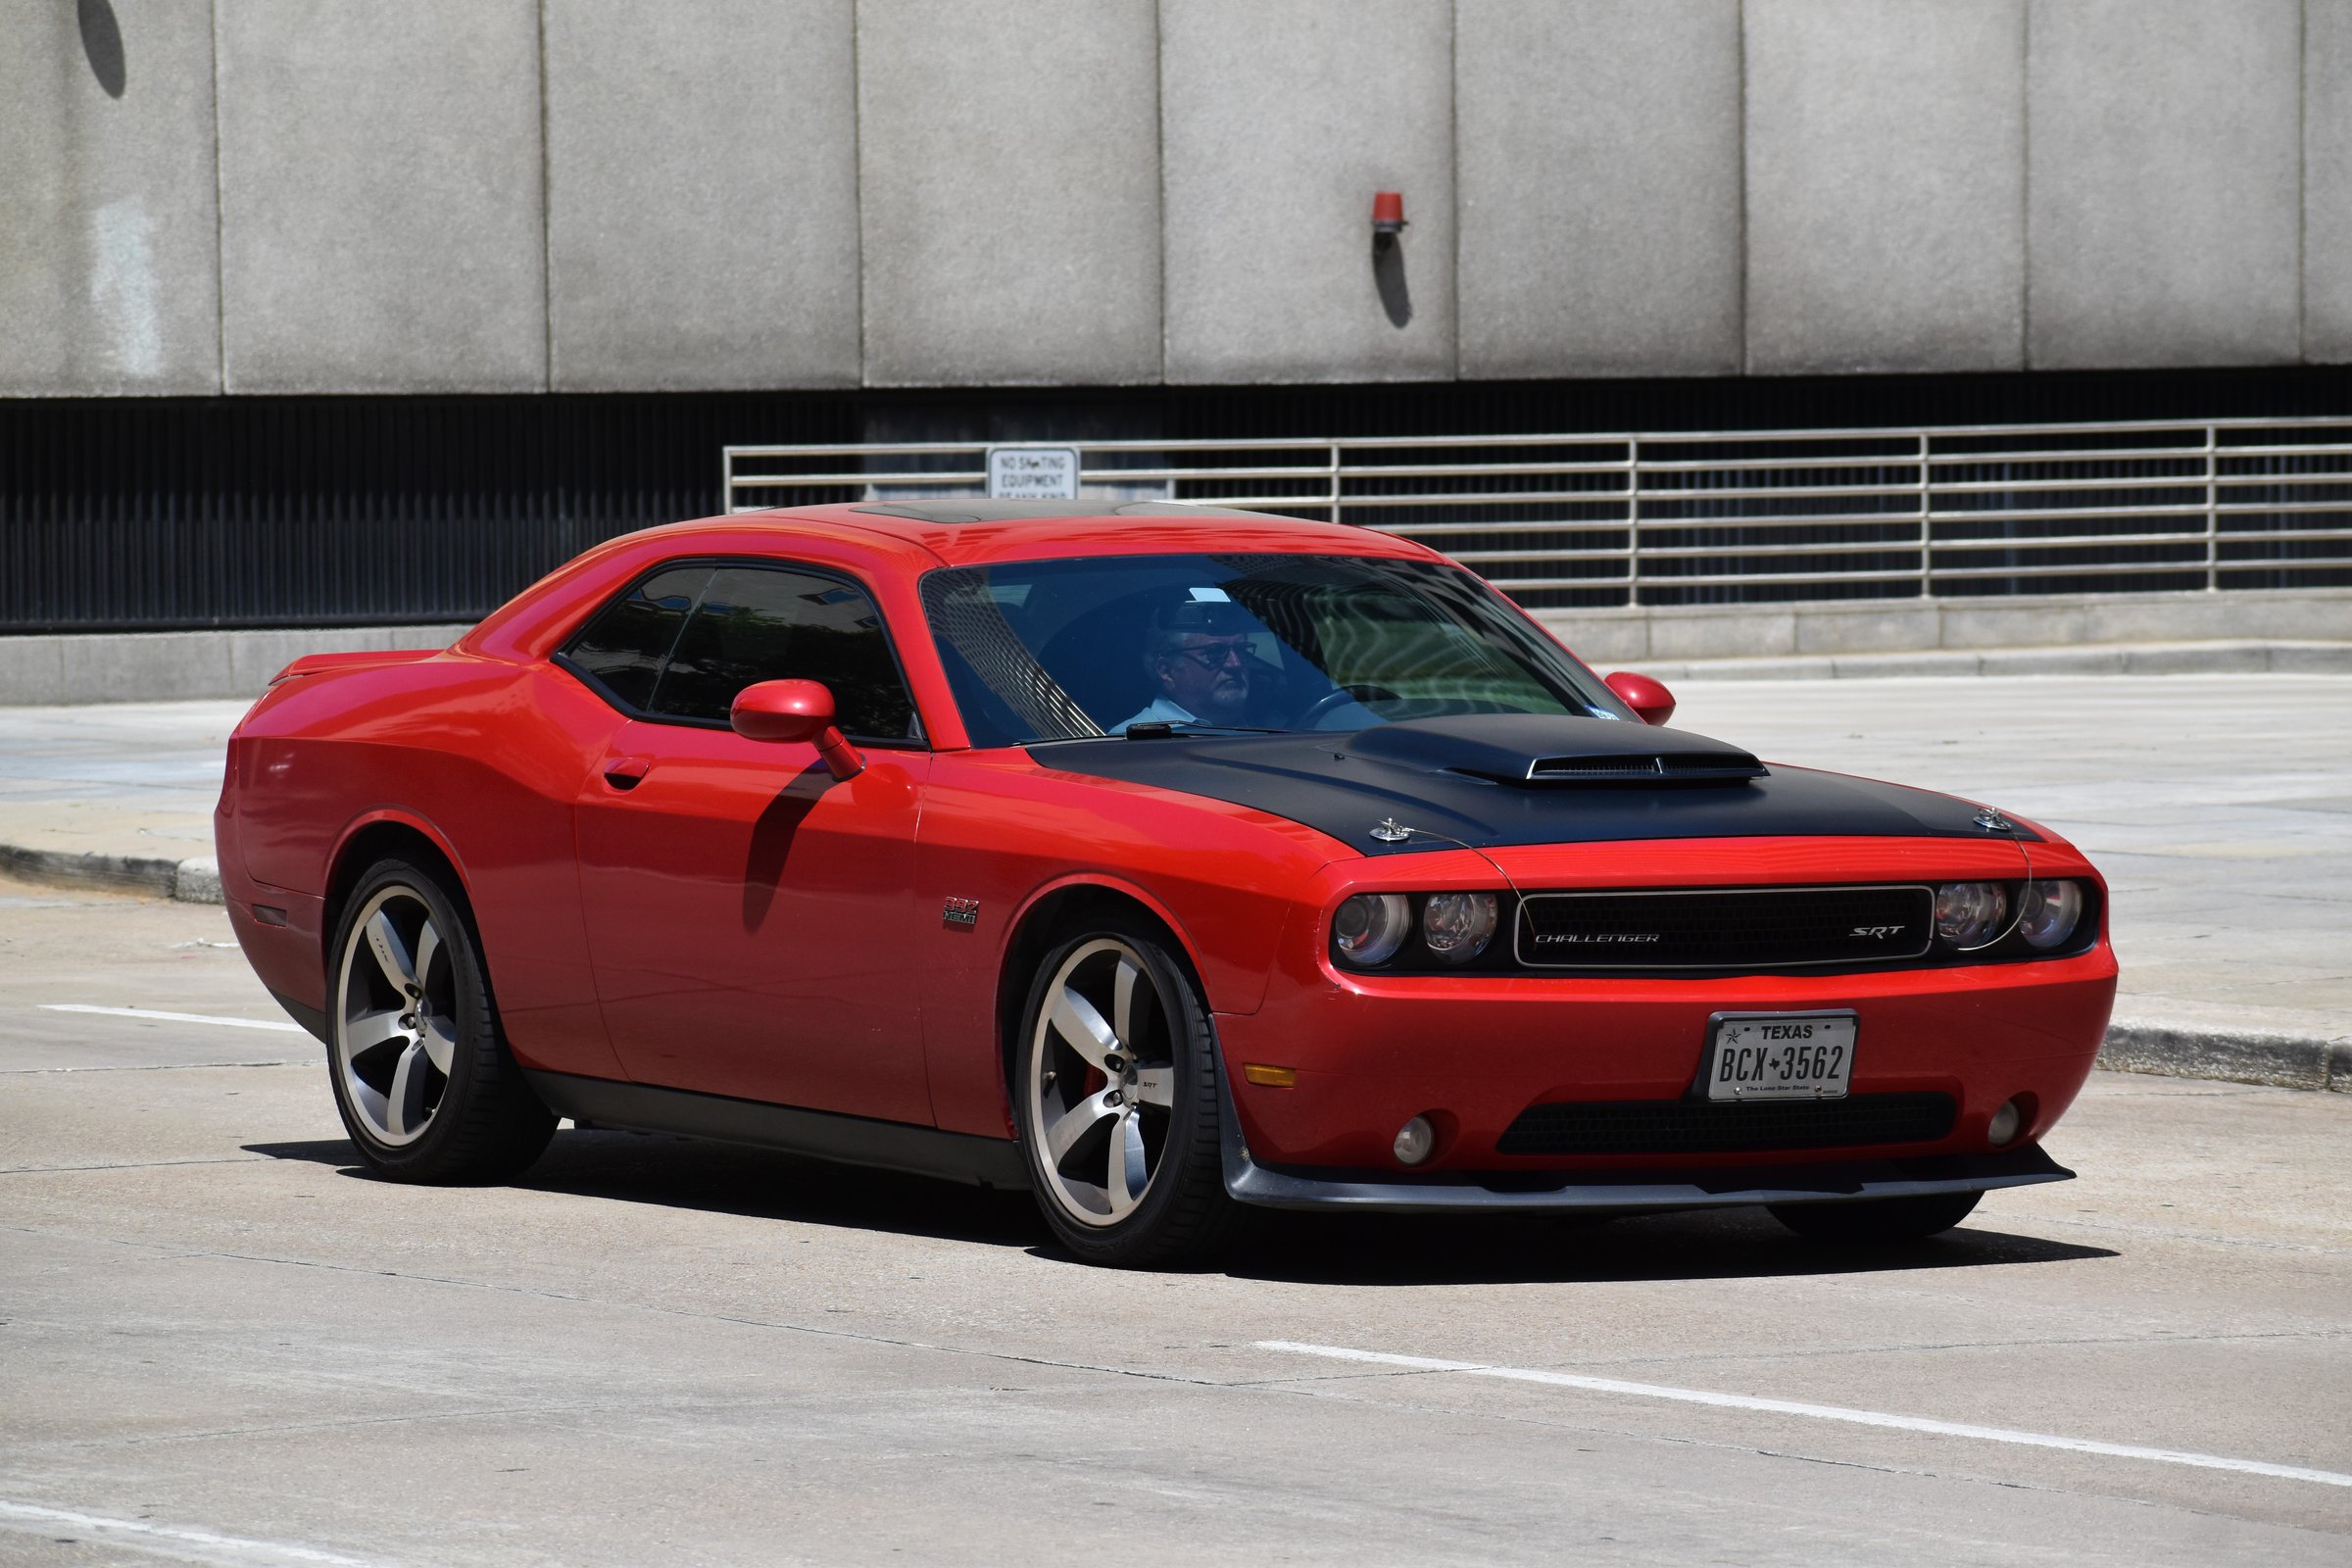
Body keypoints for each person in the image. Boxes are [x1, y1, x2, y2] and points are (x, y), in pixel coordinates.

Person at [1113, 600, 1264, 733]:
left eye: (1241, 650)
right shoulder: (1128, 743)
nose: (1235, 664)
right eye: (1214, 653)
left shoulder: (1276, 728)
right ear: (1167, 671)